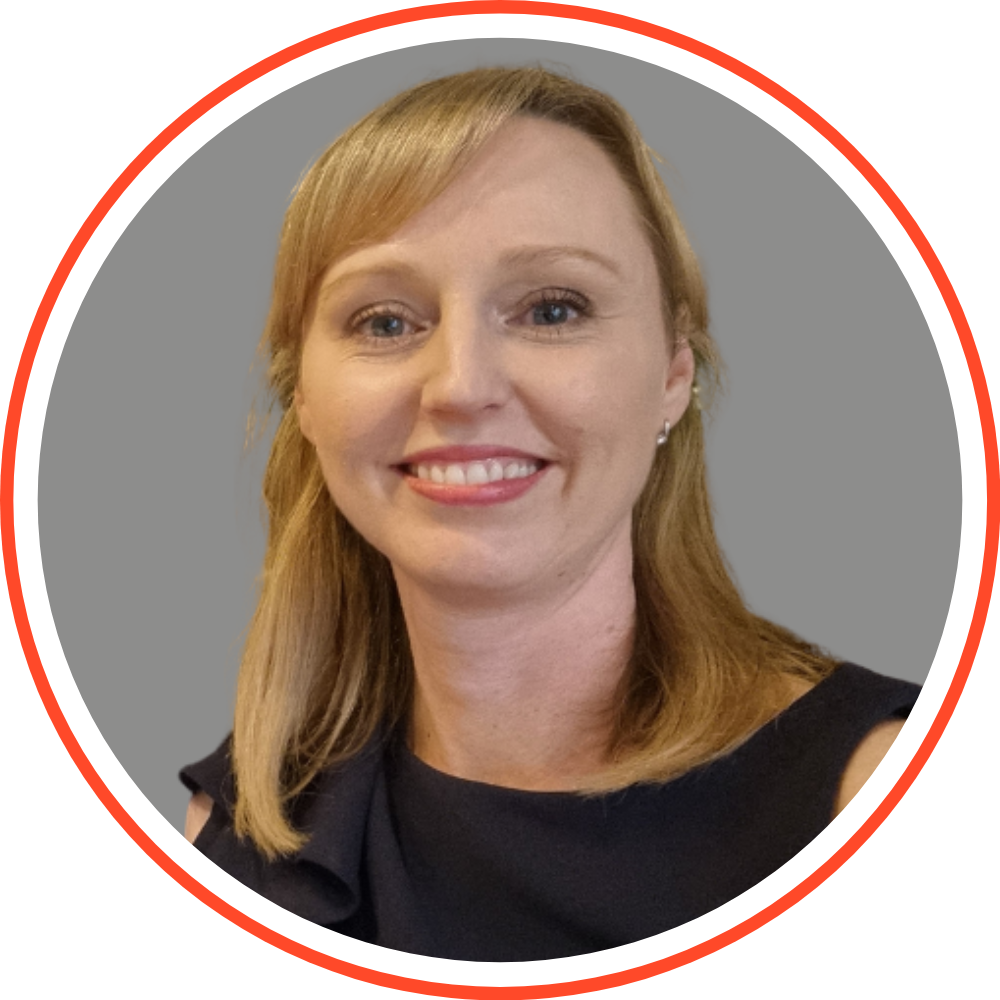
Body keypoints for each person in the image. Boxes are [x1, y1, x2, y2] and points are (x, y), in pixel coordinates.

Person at [181, 66, 919, 961]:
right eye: (384, 322)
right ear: (302, 394)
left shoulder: (885, 799)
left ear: (673, 375)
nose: (460, 386)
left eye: (553, 309)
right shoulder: (242, 836)